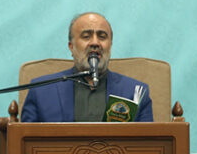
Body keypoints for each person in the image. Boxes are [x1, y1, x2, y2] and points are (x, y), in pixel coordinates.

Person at [20, 12, 153, 122]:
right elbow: (24, 141)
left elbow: (147, 143)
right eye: (86, 36)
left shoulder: (136, 93)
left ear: (110, 46)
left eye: (102, 37)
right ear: (71, 47)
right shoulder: (41, 91)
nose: (95, 42)